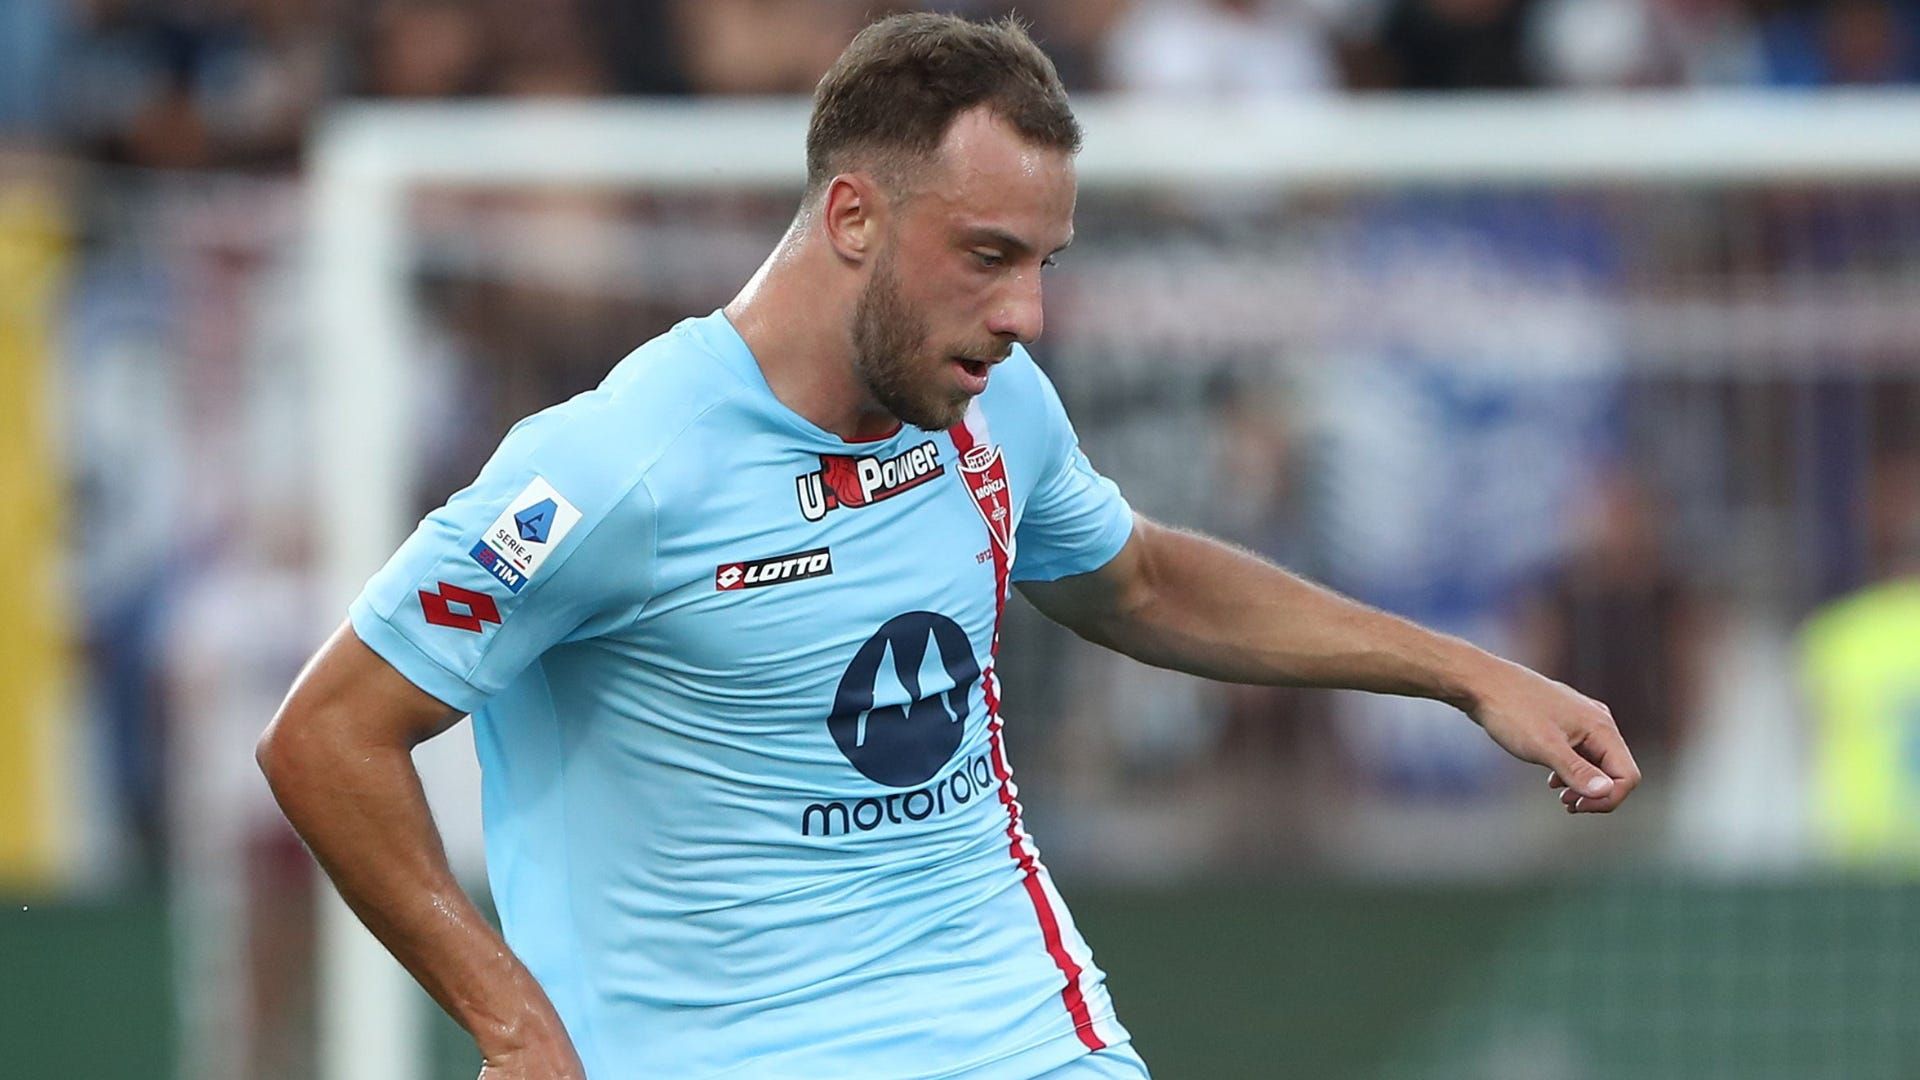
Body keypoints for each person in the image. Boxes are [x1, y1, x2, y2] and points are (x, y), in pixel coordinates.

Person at [256, 13, 1640, 1079]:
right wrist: (510, 1025)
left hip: (1009, 1029)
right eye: (988, 255)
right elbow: (326, 737)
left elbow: (1140, 580)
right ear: (852, 216)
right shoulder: (619, 468)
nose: (1027, 312)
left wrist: (1468, 673)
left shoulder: (990, 403)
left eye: (1045, 261)